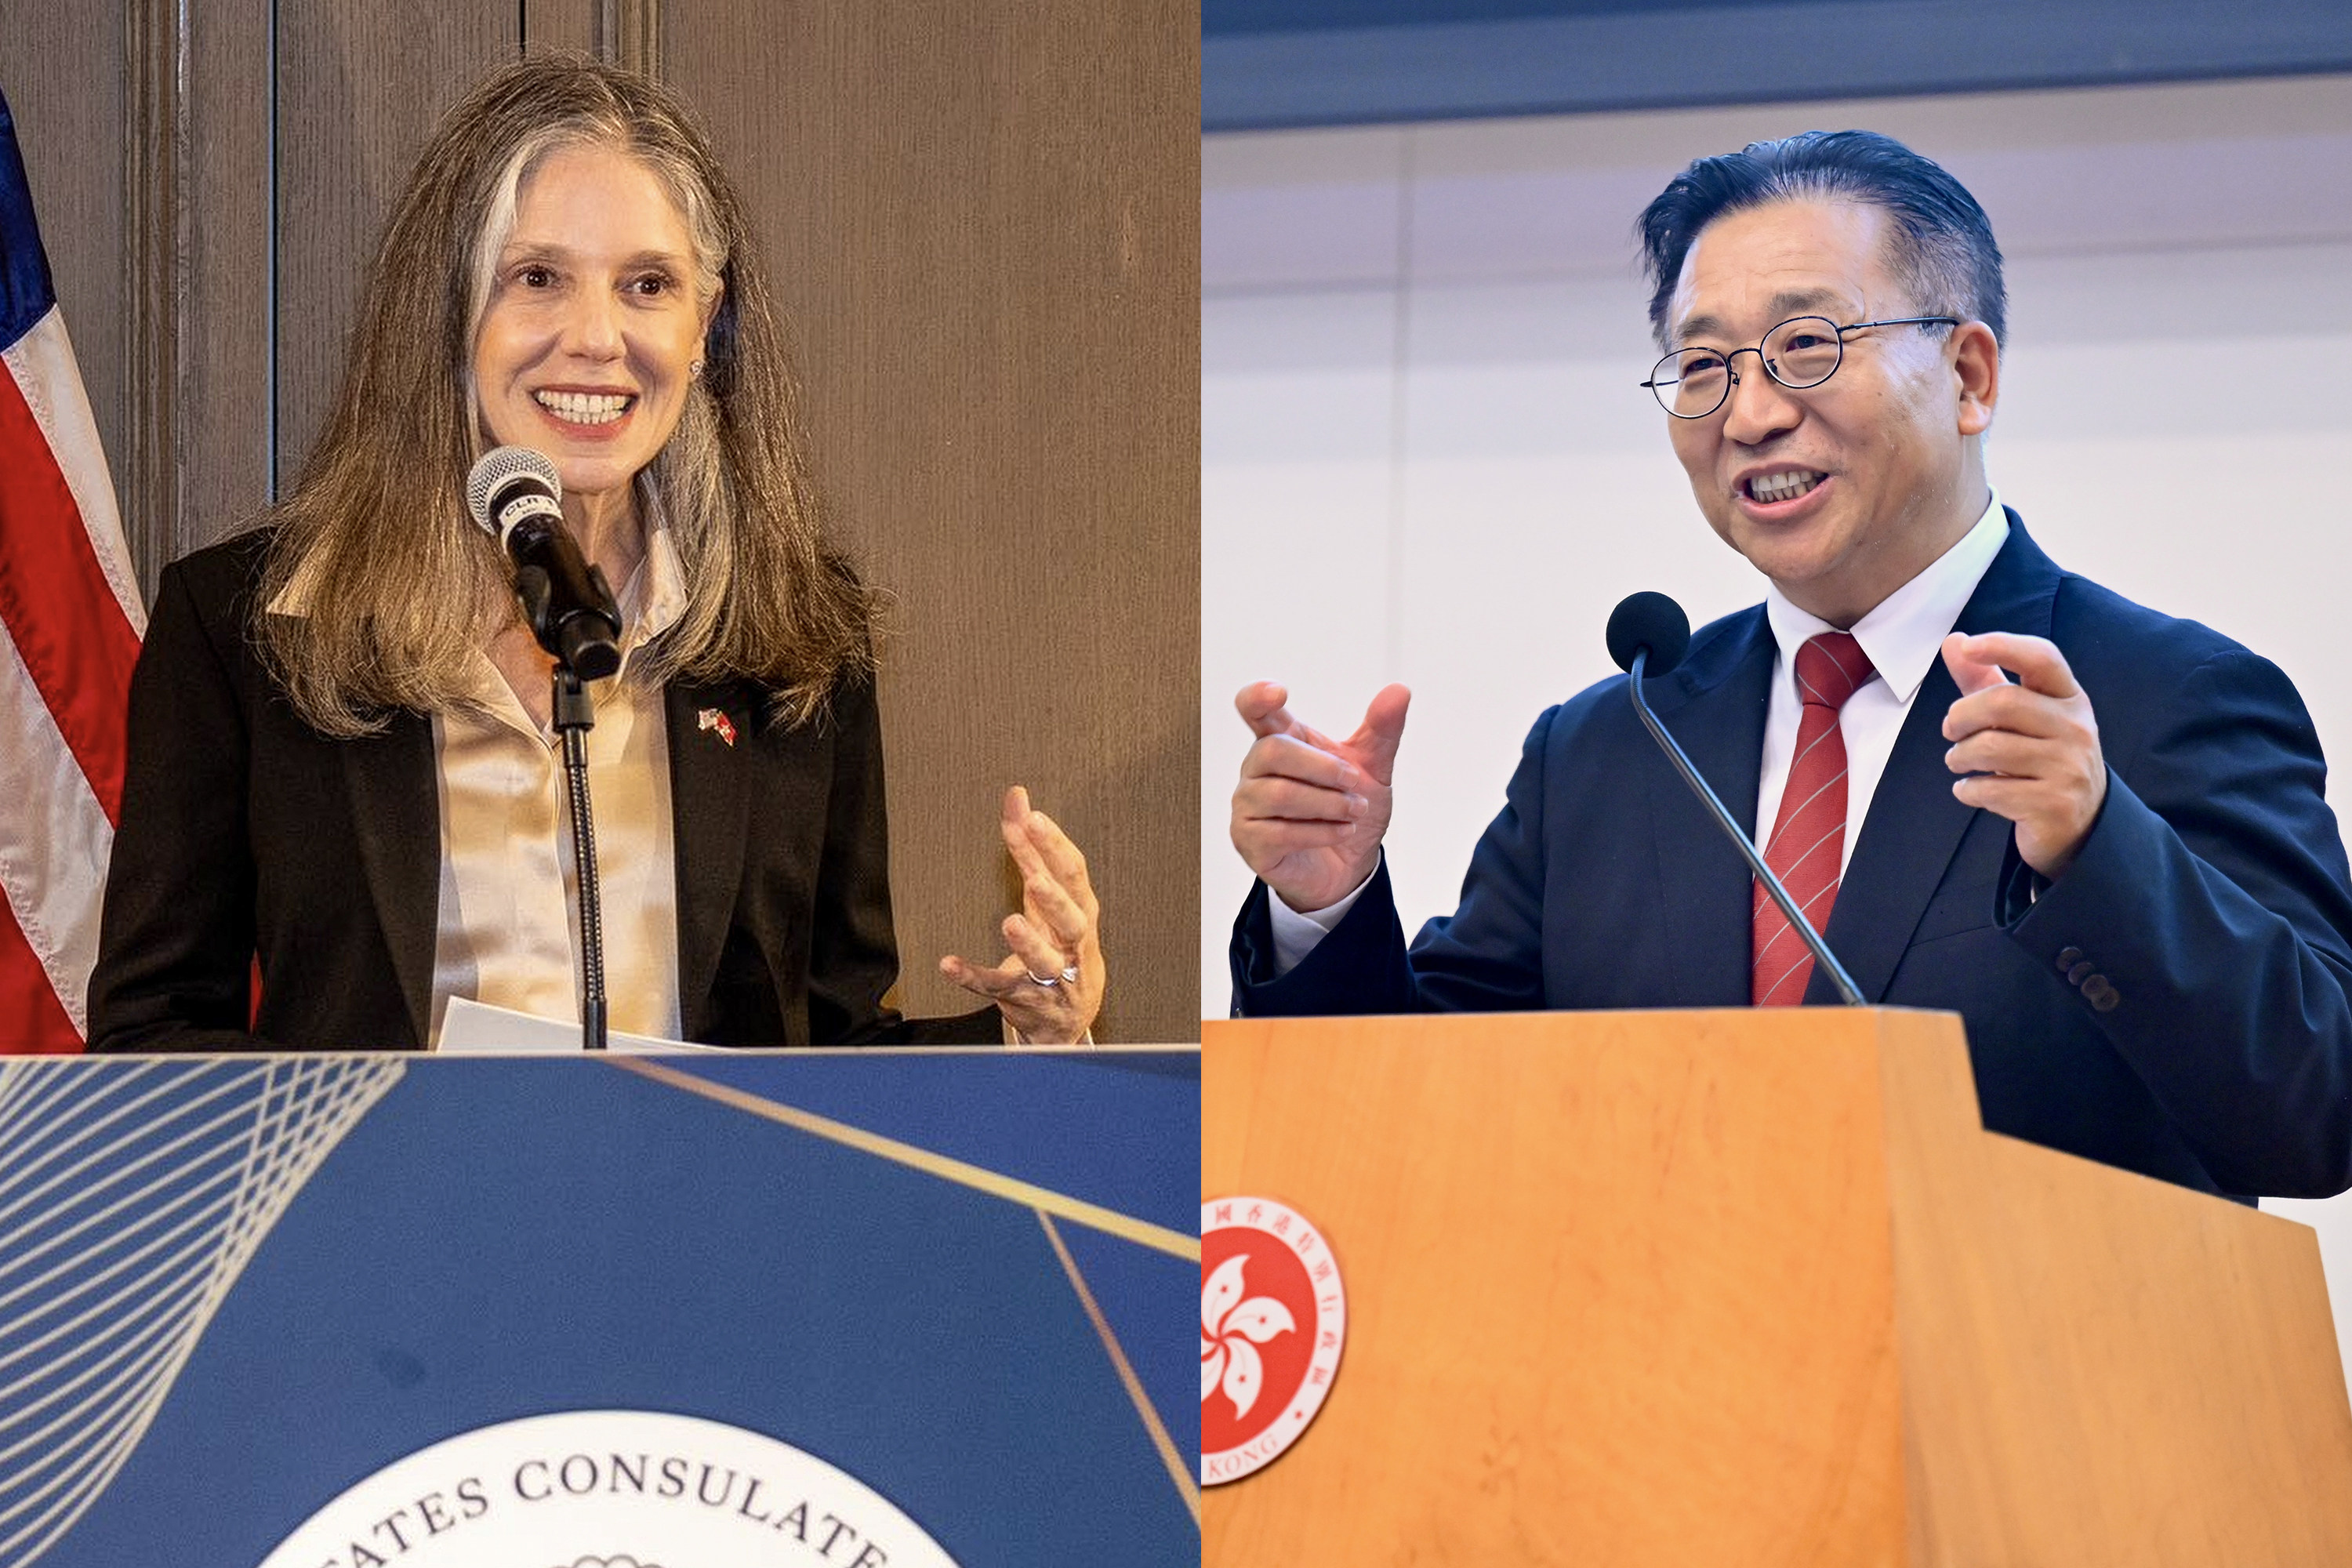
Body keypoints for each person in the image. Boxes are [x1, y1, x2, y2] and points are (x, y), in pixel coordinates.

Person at [1226, 130, 2352, 1201]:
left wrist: (2101, 852)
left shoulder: (2166, 702)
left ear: (1968, 375)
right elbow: (1420, 1122)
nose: (1752, 413)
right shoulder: (1613, 750)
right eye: (1703, 365)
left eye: (1806, 346)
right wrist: (1322, 914)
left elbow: (2319, 1110)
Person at [89, 55, 1103, 1052]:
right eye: (537, 278)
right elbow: (154, 1038)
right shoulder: (244, 631)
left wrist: (1031, 1044)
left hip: (702, 1220)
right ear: (452, 310)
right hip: (383, 1221)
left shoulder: (797, 641)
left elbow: (831, 1044)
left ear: (705, 327)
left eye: (647, 286)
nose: (596, 338)